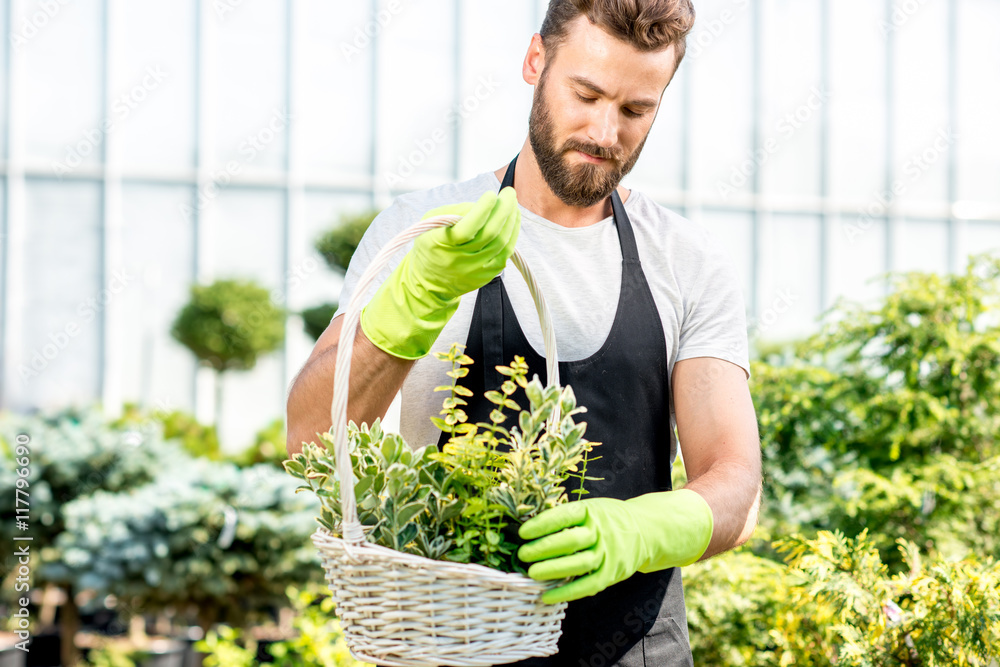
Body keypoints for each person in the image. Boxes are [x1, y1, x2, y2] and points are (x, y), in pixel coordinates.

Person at [287, 1, 762, 664]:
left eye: (635, 110)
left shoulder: (684, 259)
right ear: (535, 60)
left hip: (636, 648)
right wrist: (411, 300)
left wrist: (642, 529)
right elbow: (309, 438)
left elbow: (736, 480)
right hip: (449, 642)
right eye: (586, 93)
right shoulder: (424, 228)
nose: (604, 130)